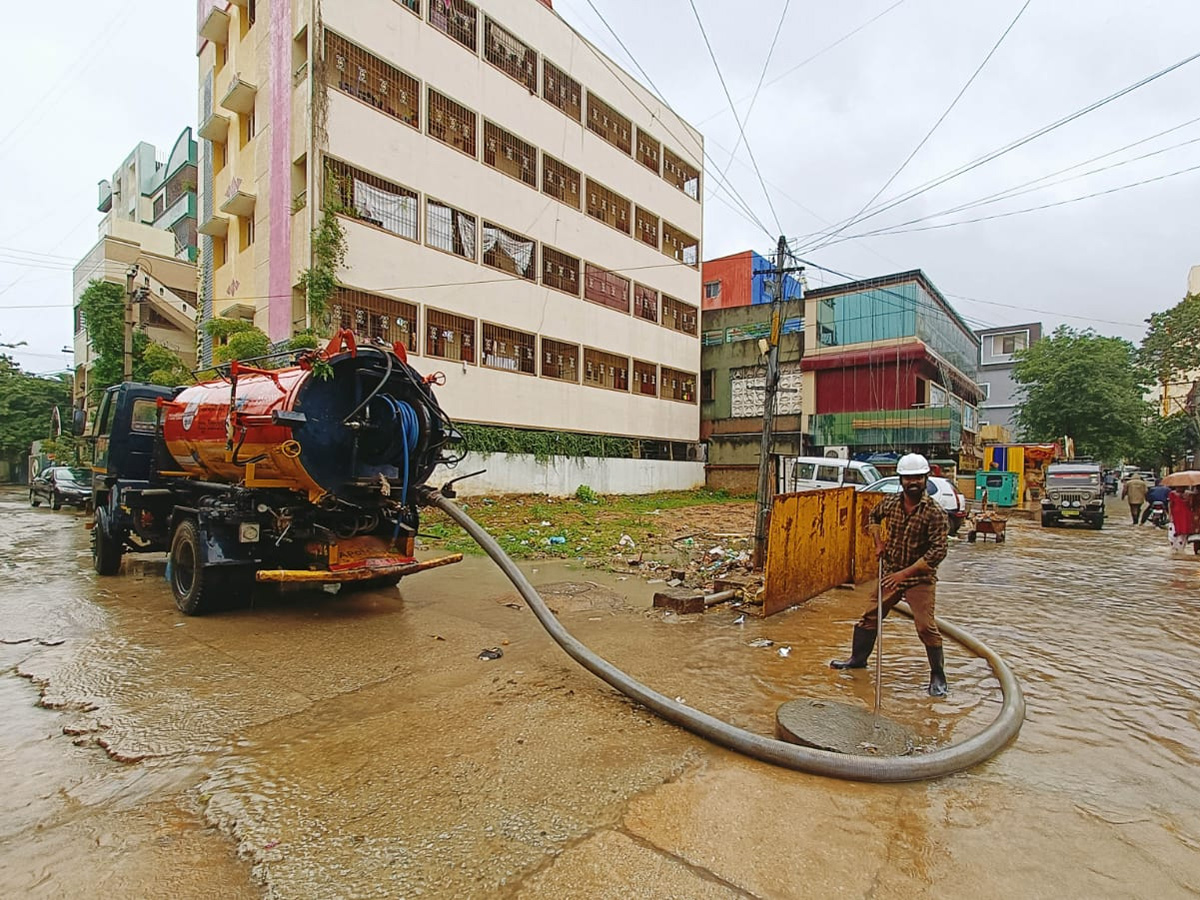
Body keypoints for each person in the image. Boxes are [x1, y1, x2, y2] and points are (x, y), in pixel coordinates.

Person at [830, 452, 950, 697]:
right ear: (901, 480)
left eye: (917, 478)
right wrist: (878, 541)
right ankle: (857, 659)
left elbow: (938, 551)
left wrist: (904, 575)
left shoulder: (935, 512)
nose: (912, 482)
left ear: (926, 478)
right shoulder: (891, 503)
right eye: (908, 478)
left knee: (926, 627)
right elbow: (873, 516)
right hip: (891, 571)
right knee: (869, 617)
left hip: (919, 578)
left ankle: (938, 675)